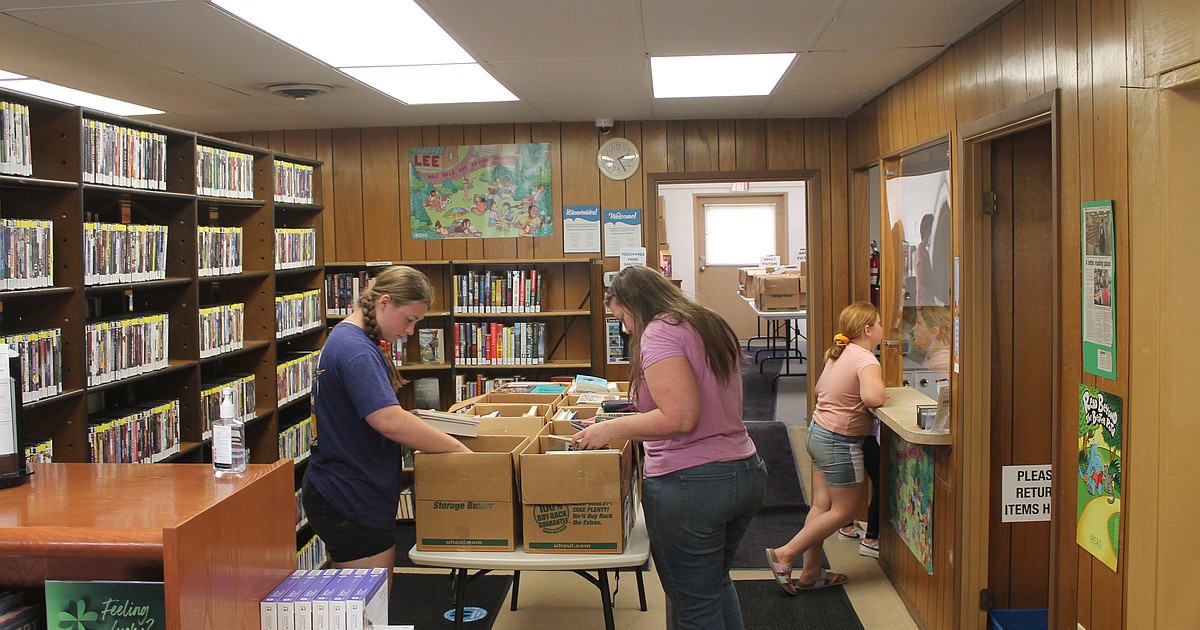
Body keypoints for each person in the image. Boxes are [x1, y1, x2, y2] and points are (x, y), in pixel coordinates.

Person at [572, 265, 766, 630]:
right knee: (714, 586)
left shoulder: (659, 332)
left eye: (623, 318)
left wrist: (611, 429)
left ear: (635, 304)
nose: (625, 329)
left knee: (694, 608)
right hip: (744, 469)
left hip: (692, 484)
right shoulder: (706, 321)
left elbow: (680, 418)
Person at [301, 265, 470, 594]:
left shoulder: (349, 338)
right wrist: (456, 448)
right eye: (409, 319)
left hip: (343, 487)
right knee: (367, 608)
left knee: (351, 604)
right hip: (349, 494)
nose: (410, 331)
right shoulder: (357, 351)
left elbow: (369, 413)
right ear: (384, 303)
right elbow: (387, 420)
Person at [766, 301, 886, 593]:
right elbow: (873, 398)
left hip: (818, 434)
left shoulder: (840, 353)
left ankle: (811, 573)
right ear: (868, 329)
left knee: (822, 506)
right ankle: (785, 554)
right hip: (840, 442)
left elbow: (820, 390)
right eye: (880, 324)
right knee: (845, 512)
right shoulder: (866, 359)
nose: (883, 329)